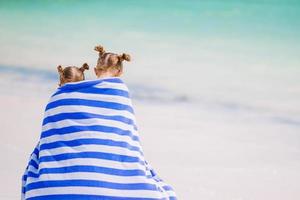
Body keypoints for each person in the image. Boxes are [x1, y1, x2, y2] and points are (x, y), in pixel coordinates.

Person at [21, 45, 177, 200]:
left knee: (38, 155)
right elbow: (128, 140)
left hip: (54, 192)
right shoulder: (120, 94)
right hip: (117, 187)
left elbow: (50, 138)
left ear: (95, 71)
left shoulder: (58, 97)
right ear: (120, 72)